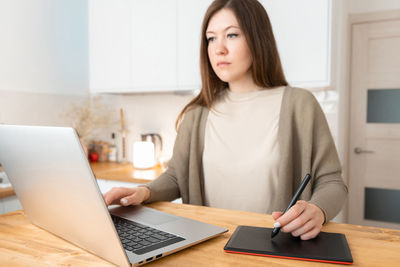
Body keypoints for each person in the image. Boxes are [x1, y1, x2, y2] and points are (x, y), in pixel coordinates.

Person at [103, 0, 348, 241]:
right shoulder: (198, 113)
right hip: (209, 247)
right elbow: (177, 177)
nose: (219, 48)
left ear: (257, 38)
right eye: (211, 38)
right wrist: (143, 191)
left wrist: (318, 210)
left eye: (231, 35)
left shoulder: (299, 104)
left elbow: (331, 182)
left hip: (275, 250)